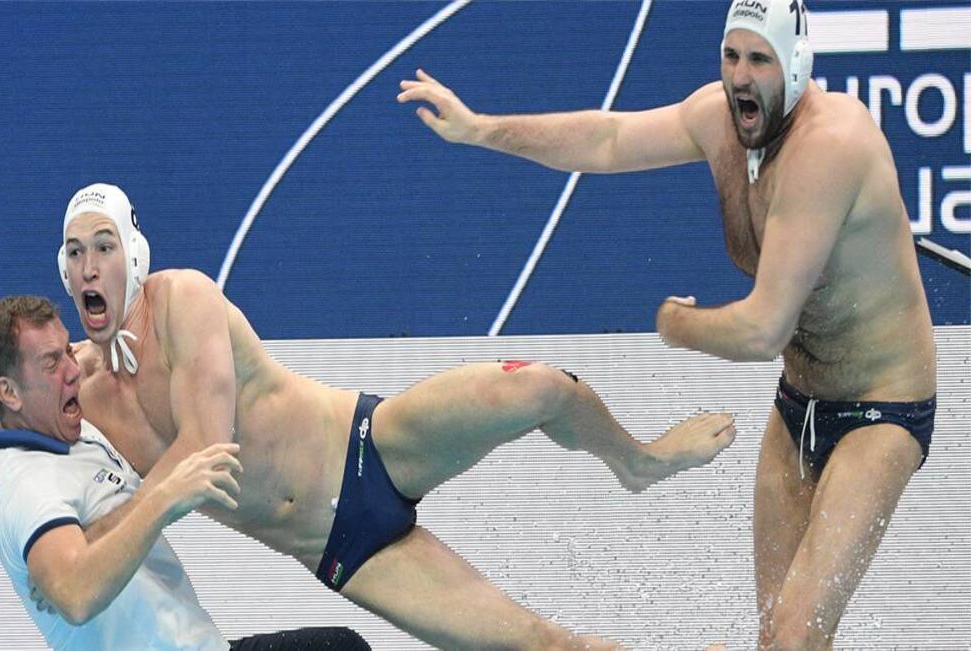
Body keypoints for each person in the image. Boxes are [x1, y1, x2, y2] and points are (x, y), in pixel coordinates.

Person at [0, 180, 735, 649]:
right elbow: (11, 392)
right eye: (73, 253)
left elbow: (209, 446)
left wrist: (103, 525)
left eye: (102, 245)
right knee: (539, 644)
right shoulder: (85, 383)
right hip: (340, 550)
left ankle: (638, 461)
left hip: (371, 445)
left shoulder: (186, 301)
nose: (87, 265)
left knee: (540, 386)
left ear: (133, 254)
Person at [397, 1, 938, 648]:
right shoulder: (719, 120)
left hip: (882, 407)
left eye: (759, 60)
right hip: (801, 403)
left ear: (796, 67)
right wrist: (483, 129)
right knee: (777, 639)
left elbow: (764, 328)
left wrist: (679, 326)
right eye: (732, 56)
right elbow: (607, 139)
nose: (741, 76)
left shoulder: (829, 148)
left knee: (796, 637)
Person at [0, 297, 370, 651]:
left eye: (67, 350)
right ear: (9, 391)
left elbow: (1, 424)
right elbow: (75, 595)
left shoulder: (49, 419)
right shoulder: (28, 488)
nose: (73, 369)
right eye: (52, 362)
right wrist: (164, 496)